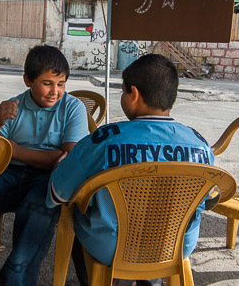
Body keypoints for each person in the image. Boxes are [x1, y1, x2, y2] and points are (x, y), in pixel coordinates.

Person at [46, 54, 214, 276]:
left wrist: (60, 166)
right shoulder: (201, 145)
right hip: (177, 246)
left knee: (77, 212)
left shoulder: (104, 140)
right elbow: (208, 199)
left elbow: (58, 193)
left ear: (133, 94)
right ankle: (149, 280)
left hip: (111, 248)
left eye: (123, 91)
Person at [0, 45, 89, 286]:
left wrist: (16, 150)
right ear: (28, 81)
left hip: (50, 180)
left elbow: (69, 157)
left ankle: (16, 278)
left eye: (61, 83)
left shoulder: (72, 107)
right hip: (8, 174)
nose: (55, 91)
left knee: (36, 210)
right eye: (47, 83)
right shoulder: (13, 106)